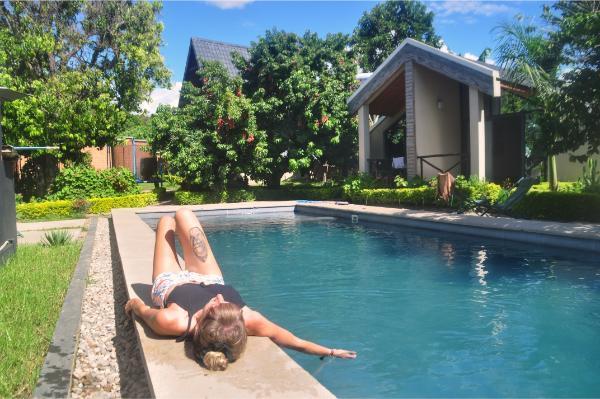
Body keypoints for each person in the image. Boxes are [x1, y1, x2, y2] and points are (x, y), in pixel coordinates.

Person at [125, 208, 357, 371]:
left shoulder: (174, 321)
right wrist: (330, 351)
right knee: (183, 215)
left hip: (171, 282)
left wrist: (133, 305)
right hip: (209, 276)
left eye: (216, 304)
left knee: (166, 222)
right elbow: (291, 340)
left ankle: (166, 229)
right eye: (226, 303)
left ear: (204, 321)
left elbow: (142, 310)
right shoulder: (247, 318)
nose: (219, 296)